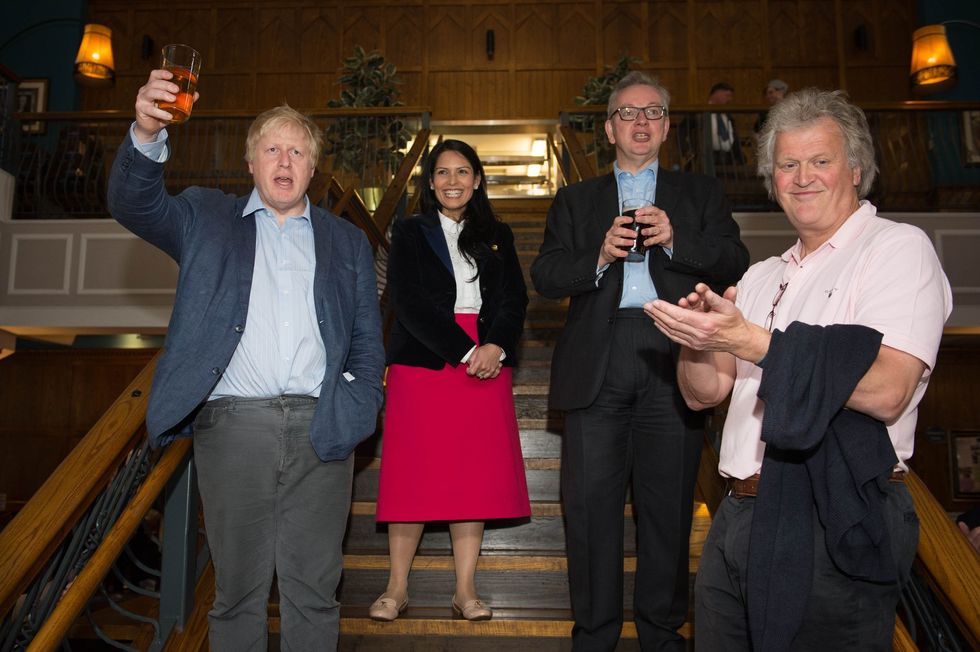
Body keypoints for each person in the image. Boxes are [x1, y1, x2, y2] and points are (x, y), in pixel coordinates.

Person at [646, 88, 952, 651]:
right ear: (772, 180)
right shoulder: (761, 274)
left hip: (833, 513)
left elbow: (888, 389)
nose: (802, 177)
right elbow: (703, 394)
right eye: (787, 165)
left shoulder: (896, 250)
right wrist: (697, 342)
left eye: (820, 160)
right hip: (738, 512)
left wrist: (752, 341)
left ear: (855, 169)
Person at [107, 69, 385, 651]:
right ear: (251, 163)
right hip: (234, 428)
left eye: (297, 151)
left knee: (315, 592)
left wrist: (359, 406)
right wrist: (146, 132)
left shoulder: (347, 241)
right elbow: (135, 204)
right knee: (236, 594)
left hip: (324, 429)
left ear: (313, 167)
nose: (285, 161)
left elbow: (366, 339)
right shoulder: (204, 217)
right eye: (272, 149)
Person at [530, 71, 749, 651]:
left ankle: (662, 636)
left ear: (667, 126)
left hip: (674, 354)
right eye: (628, 113)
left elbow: (735, 259)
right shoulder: (575, 200)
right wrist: (599, 255)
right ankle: (594, 637)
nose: (641, 121)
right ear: (610, 129)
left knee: (668, 510)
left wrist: (675, 239)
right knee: (589, 511)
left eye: (653, 111)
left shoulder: (700, 193)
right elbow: (545, 275)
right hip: (597, 360)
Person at [371, 139, 530, 622]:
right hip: (426, 361)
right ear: (431, 182)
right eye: (443, 172)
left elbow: (514, 298)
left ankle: (465, 590)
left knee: (471, 476)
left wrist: (495, 347)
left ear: (477, 180)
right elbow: (408, 300)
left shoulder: (497, 233)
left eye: (463, 172)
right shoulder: (410, 231)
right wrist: (464, 351)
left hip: (487, 362)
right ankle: (396, 588)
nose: (453, 181)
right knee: (411, 474)